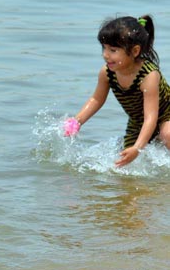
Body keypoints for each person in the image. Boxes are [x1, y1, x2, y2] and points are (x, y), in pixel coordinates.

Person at [66, 15, 170, 167]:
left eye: (113, 50)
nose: (105, 55)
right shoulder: (107, 72)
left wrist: (137, 147)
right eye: (104, 48)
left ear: (135, 51)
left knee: (167, 135)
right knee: (126, 162)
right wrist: (77, 121)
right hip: (138, 122)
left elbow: (151, 117)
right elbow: (96, 99)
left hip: (165, 114)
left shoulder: (149, 76)